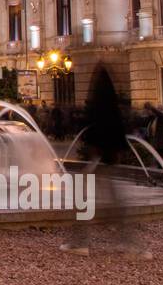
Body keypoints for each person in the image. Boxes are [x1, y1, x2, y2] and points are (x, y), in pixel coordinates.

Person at [61, 64, 151, 259]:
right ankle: (129, 244)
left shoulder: (99, 105)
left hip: (98, 159)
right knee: (112, 201)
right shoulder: (113, 107)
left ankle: (81, 243)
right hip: (106, 158)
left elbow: (94, 126)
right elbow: (118, 128)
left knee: (85, 200)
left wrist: (92, 148)